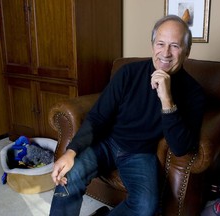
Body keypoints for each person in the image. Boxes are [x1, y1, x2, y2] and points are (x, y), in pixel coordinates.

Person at [49, 15, 205, 216]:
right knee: (69, 175)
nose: (165, 53)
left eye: (174, 46)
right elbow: (98, 117)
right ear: (152, 46)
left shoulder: (194, 93)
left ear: (187, 52)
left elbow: (181, 147)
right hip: (107, 142)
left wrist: (167, 100)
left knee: (146, 206)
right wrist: (71, 152)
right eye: (160, 43)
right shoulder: (128, 73)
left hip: (141, 153)